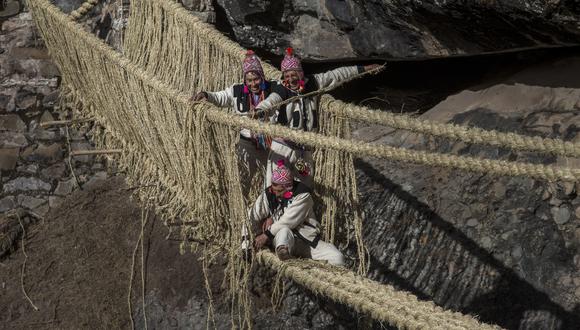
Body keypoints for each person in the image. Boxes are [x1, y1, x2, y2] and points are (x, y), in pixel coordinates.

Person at [256, 47, 382, 188]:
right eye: (287, 76)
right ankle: (268, 209)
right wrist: (261, 110)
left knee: (305, 189)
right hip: (283, 147)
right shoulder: (281, 89)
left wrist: (363, 69)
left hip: (306, 149)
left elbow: (336, 75)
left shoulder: (313, 83)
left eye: (294, 75)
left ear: (301, 73)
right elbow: (271, 101)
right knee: (274, 188)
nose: (291, 79)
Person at [193, 50, 279, 191]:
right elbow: (220, 97)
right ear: (245, 80)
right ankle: (241, 209)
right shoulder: (237, 91)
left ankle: (269, 209)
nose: (253, 84)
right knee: (241, 181)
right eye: (249, 80)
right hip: (247, 144)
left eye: (256, 79)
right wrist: (206, 95)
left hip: (271, 145)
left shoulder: (274, 89)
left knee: (275, 182)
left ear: (262, 77)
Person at [248, 160, 345, 266]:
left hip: (306, 239)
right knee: (284, 231)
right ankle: (283, 252)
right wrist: (246, 243)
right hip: (281, 239)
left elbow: (288, 220)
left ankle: (316, 271)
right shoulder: (269, 193)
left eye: (279, 191)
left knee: (337, 257)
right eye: (274, 190)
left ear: (288, 187)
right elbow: (252, 215)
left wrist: (266, 235)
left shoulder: (302, 195)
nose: (275, 194)